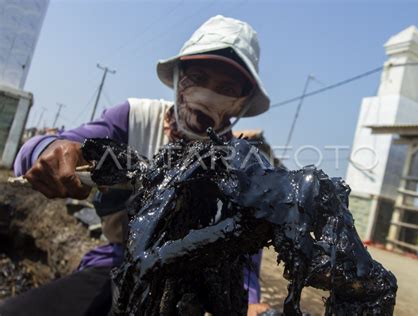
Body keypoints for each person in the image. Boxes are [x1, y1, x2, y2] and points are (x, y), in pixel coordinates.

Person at [2, 15, 272, 316]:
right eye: (198, 78)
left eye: (226, 87)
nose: (208, 93)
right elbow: (37, 152)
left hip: (203, 291)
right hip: (120, 267)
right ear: (179, 76)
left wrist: (248, 304)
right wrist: (50, 150)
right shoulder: (133, 119)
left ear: (242, 102)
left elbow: (245, 261)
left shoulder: (245, 168)